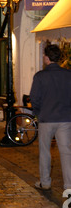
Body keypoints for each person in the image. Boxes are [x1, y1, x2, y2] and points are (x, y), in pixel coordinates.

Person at [30, 44, 71, 191]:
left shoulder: (40, 76)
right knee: (66, 152)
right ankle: (69, 186)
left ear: (47, 58)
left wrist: (38, 112)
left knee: (45, 151)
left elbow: (34, 97)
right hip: (65, 119)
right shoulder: (68, 75)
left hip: (46, 118)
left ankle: (45, 182)